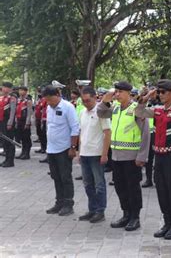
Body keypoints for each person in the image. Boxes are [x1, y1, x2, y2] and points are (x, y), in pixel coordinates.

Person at [135, 79, 171, 240]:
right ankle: (167, 222)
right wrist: (146, 98)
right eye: (158, 92)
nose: (160, 95)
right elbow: (139, 112)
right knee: (161, 189)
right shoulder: (157, 109)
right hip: (159, 156)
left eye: (163, 92)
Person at [97, 81, 150, 231]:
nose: (117, 95)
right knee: (120, 187)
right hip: (116, 156)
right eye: (116, 92)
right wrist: (105, 100)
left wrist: (142, 156)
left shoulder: (137, 109)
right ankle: (126, 214)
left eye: (120, 92)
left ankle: (135, 217)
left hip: (132, 157)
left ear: (129, 93)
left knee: (132, 187)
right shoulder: (115, 108)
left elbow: (145, 134)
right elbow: (100, 112)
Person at [42, 85, 80, 216]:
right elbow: (50, 127)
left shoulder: (68, 107)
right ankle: (59, 202)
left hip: (64, 149)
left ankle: (68, 204)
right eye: (47, 100)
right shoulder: (49, 107)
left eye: (51, 99)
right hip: (51, 149)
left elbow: (75, 128)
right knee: (56, 177)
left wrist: (73, 147)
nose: (49, 102)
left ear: (58, 95)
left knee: (65, 177)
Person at [77, 86, 111, 223]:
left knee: (99, 185)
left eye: (88, 100)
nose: (86, 103)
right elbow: (82, 133)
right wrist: (79, 151)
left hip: (96, 154)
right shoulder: (83, 112)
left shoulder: (101, 112)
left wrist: (104, 154)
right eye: (83, 101)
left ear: (95, 97)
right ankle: (92, 209)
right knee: (87, 185)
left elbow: (107, 133)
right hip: (85, 153)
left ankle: (100, 211)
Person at [0, 82, 17, 167]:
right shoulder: (1, 98)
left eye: (7, 87)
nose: (5, 89)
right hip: (2, 122)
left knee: (9, 141)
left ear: (10, 89)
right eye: (4, 87)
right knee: (4, 141)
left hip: (8, 122)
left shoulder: (12, 98)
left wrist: (10, 123)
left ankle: (10, 161)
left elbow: (13, 112)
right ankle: (6, 159)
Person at [14, 86, 33, 160]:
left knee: (26, 138)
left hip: (25, 121)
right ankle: (23, 152)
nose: (20, 92)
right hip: (19, 121)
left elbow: (29, 113)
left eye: (22, 90)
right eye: (20, 90)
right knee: (21, 137)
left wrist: (27, 123)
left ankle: (27, 153)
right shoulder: (18, 100)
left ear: (25, 92)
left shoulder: (28, 101)